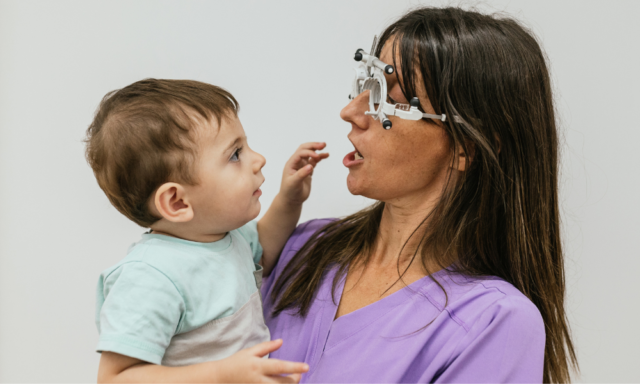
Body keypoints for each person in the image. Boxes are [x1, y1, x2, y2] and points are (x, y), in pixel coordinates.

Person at [262, 7, 578, 383]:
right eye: (366, 86)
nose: (351, 112)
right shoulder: (303, 249)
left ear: (466, 147)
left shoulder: (494, 322)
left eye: (387, 99)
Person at [85, 79, 328, 382]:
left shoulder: (225, 237)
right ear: (176, 201)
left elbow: (265, 246)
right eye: (235, 154)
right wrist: (220, 374)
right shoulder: (149, 278)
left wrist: (289, 199)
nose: (259, 160)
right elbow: (115, 378)